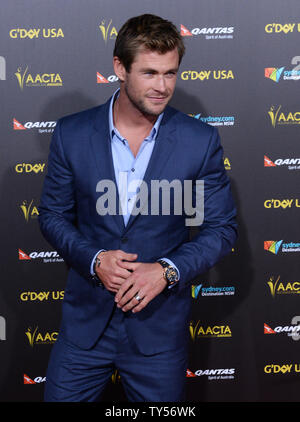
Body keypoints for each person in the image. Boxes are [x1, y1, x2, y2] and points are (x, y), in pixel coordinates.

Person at [38, 13, 237, 402]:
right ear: (119, 68)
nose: (162, 87)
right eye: (149, 73)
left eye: (170, 73)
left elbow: (221, 229)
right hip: (85, 329)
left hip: (158, 332)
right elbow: (52, 216)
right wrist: (95, 259)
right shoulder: (72, 134)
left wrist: (167, 270)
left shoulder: (200, 140)